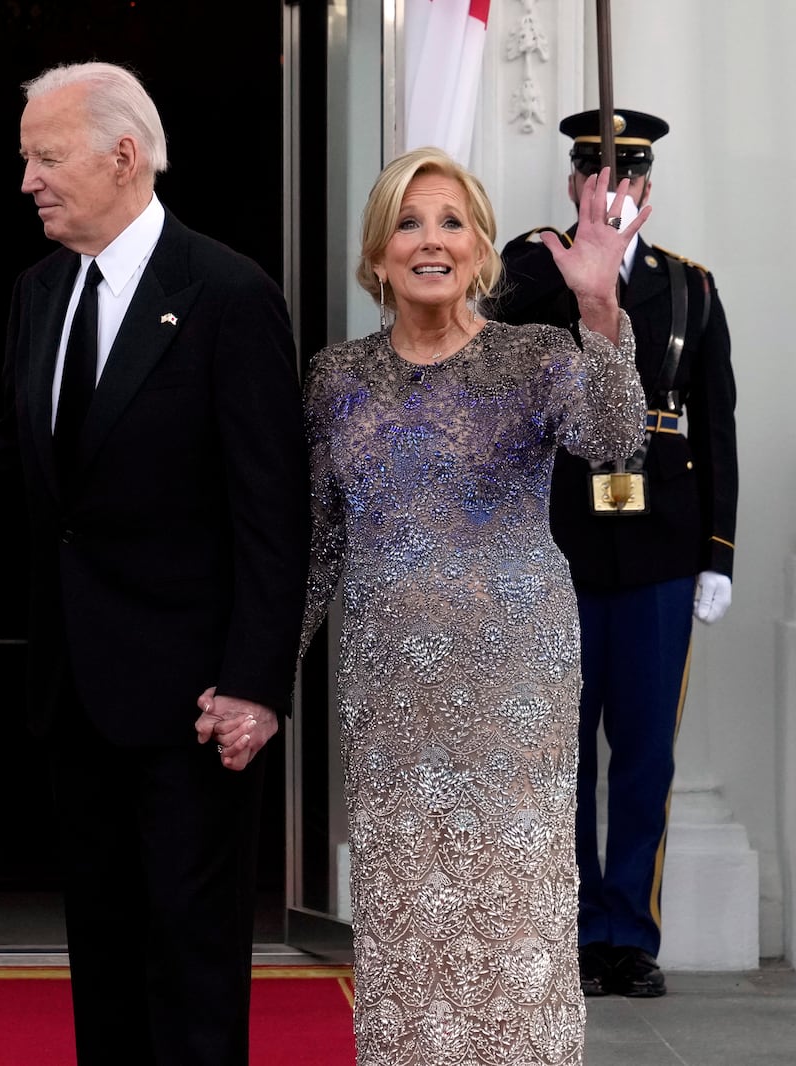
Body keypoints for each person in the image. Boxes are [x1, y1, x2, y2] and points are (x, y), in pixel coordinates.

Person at [0, 63, 308, 1065]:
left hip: (195, 699)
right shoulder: (36, 291)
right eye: (25, 156)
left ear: (123, 155)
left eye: (44, 155)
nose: (26, 178)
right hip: (74, 690)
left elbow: (270, 509)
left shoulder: (228, 295)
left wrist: (253, 683)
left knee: (189, 964)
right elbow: (10, 466)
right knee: (101, 956)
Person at [300, 147, 647, 1065]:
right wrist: (260, 678)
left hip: (515, 688)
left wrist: (601, 309)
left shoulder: (536, 358)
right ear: (377, 254)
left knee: (513, 913)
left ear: (482, 247)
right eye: (410, 223)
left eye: (452, 221)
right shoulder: (336, 378)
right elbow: (317, 546)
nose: (431, 241)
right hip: (390, 695)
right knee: (407, 914)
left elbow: (617, 444)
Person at [493, 109, 738, 999]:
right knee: (559, 753)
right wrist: (565, 266)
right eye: (597, 178)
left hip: (663, 549)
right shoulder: (531, 267)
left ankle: (627, 934)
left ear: (648, 188)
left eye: (629, 179)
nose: (614, 193)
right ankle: (568, 929)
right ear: (573, 185)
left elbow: (716, 427)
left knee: (643, 755)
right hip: (551, 544)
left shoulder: (690, 288)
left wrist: (719, 553)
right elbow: (480, 337)